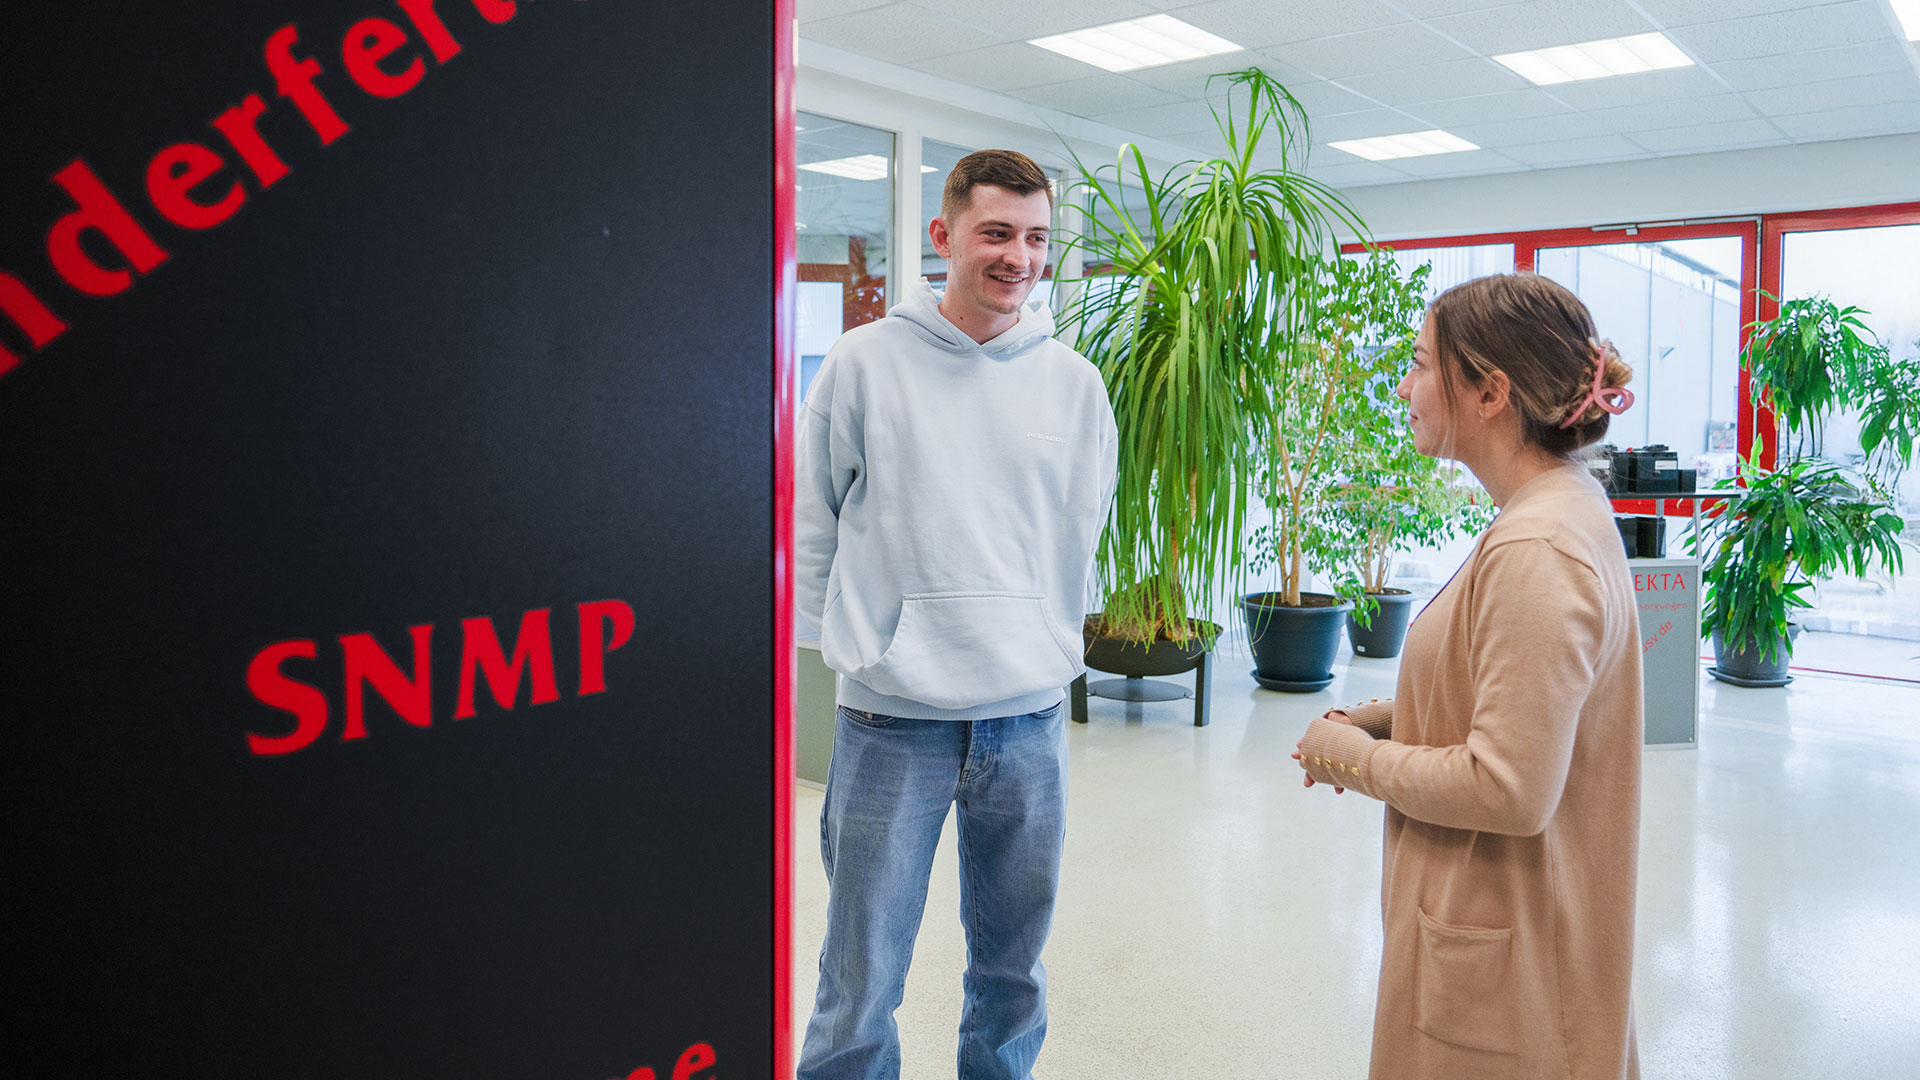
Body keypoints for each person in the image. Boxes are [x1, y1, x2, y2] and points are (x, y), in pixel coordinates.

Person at [794, 149, 1117, 1080]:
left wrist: (1051, 636)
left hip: (1030, 720)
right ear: (944, 236)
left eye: (1037, 238)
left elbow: (1082, 527)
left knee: (1013, 974)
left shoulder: (1074, 384)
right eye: (997, 233)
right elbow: (811, 521)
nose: (1020, 257)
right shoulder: (864, 364)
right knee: (862, 979)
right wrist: (837, 651)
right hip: (891, 720)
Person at [1293, 273, 1644, 1078]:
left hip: (1508, 972)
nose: (1404, 387)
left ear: (1491, 392)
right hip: (1508, 940)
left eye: (1421, 364)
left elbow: (1507, 787)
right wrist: (1385, 719)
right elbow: (1516, 700)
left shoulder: (1536, 550)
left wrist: (1351, 758)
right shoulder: (1556, 509)